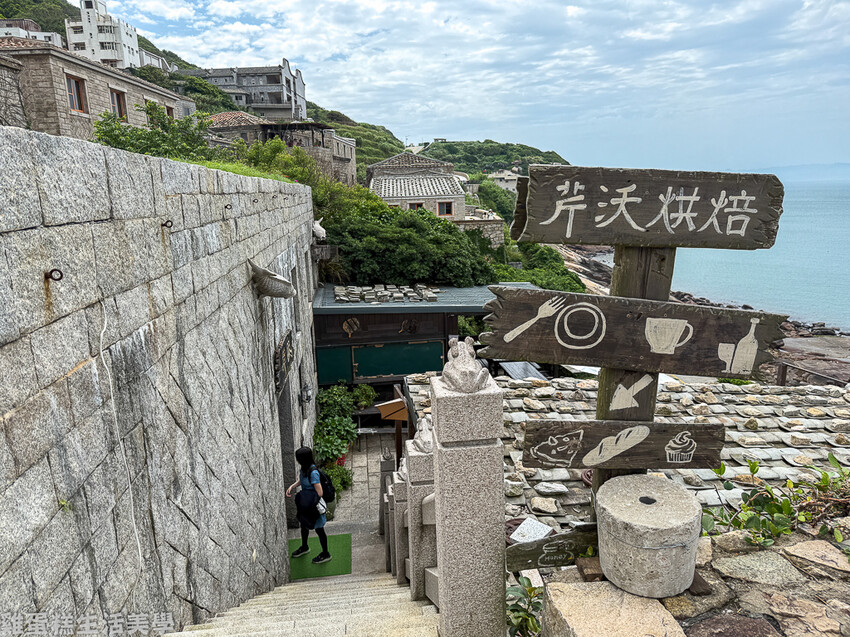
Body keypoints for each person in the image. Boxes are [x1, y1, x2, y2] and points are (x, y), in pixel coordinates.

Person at [286, 447, 331, 564]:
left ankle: (326, 553)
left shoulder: (314, 472)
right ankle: (304, 546)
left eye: (298, 458)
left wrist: (306, 496)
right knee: (304, 525)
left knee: (319, 529)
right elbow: (302, 480)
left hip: (313, 506)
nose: (297, 460)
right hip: (306, 504)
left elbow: (319, 492)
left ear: (303, 459)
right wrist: (293, 486)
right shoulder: (304, 468)